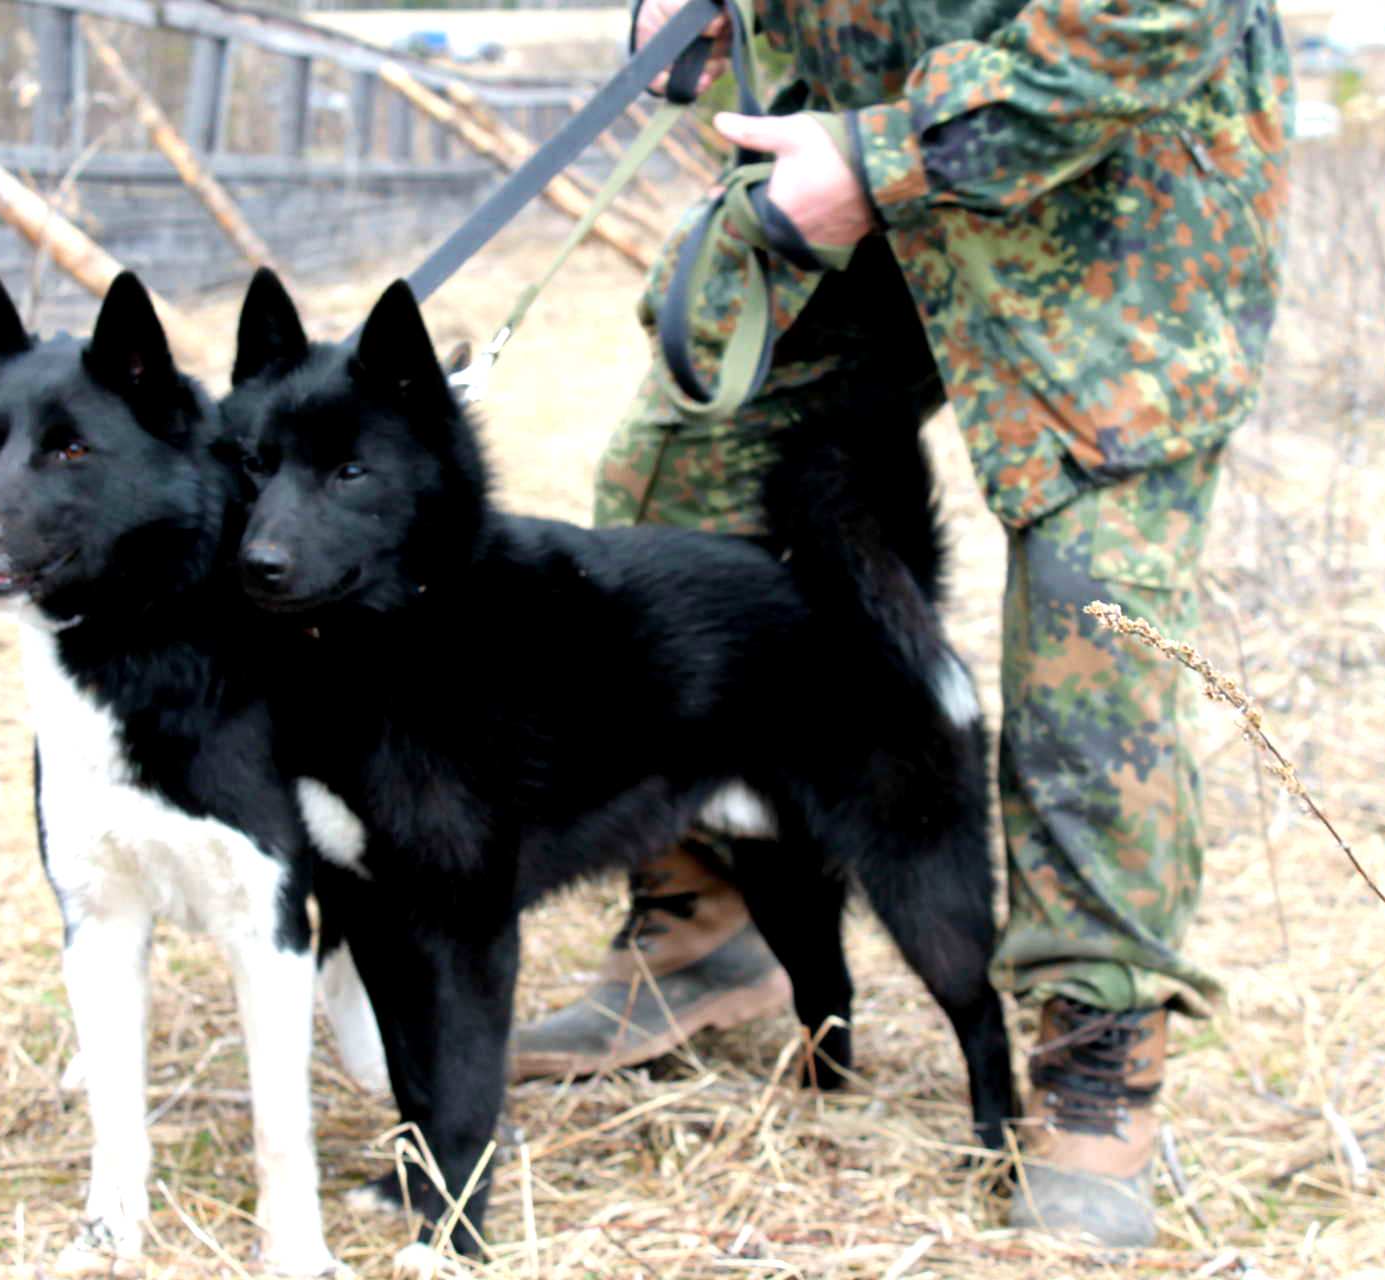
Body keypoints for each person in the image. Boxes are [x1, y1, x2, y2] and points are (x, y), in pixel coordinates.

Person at [510, 0, 1292, 1248]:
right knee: (671, 494)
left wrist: (887, 160)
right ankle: (710, 912)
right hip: (848, 191)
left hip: (1104, 199)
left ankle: (1098, 1050)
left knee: (1093, 625)